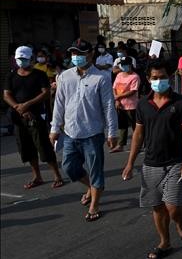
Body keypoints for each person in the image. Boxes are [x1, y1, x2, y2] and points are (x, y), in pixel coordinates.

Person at [121, 60, 182, 259]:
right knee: (157, 206)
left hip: (175, 162)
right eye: (155, 78)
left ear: (169, 77)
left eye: (163, 77)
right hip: (151, 163)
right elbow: (138, 134)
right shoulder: (143, 104)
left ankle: (180, 225)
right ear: (148, 79)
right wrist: (130, 163)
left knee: (172, 207)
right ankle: (165, 242)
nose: (159, 81)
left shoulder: (181, 103)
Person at [49, 39, 118, 222]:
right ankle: (91, 187)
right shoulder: (65, 76)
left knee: (96, 170)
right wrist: (55, 127)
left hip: (93, 133)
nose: (76, 57)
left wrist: (112, 132)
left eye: (80, 53)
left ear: (90, 54)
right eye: (73, 53)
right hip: (70, 132)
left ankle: (95, 204)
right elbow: (59, 104)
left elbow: (108, 107)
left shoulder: (101, 78)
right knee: (69, 167)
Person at [4, 46, 64, 189]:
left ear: (30, 59)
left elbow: (45, 92)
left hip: (37, 116)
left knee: (43, 147)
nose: (21, 62)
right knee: (27, 148)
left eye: (24, 59)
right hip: (19, 118)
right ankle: (37, 176)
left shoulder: (39, 75)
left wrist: (27, 104)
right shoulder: (11, 75)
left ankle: (57, 175)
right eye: (19, 59)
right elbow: (7, 95)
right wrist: (19, 108)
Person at [111, 57, 140, 153]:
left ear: (130, 65)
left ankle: (138, 145)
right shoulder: (119, 75)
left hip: (131, 105)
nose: (123, 66)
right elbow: (114, 88)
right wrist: (117, 99)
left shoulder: (135, 76)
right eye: (122, 64)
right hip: (120, 105)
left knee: (135, 126)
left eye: (125, 64)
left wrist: (118, 97)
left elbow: (132, 91)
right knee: (122, 126)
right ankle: (120, 145)